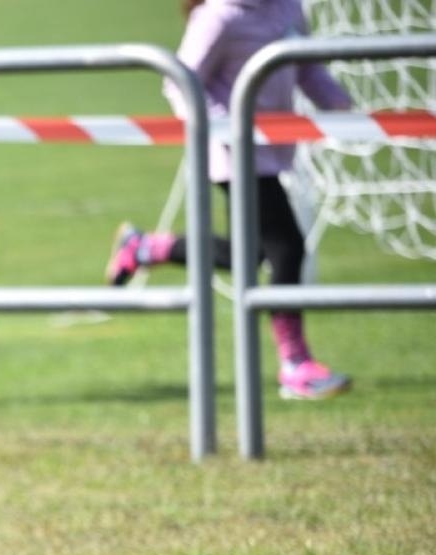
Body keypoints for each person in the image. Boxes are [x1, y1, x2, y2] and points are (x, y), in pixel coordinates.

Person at [106, 0, 353, 400]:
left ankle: (148, 246)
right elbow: (179, 82)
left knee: (250, 254)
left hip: (273, 148)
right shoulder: (219, 16)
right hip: (232, 152)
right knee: (286, 247)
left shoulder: (289, 7)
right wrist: (222, 126)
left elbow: (307, 68)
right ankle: (296, 366)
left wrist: (345, 109)